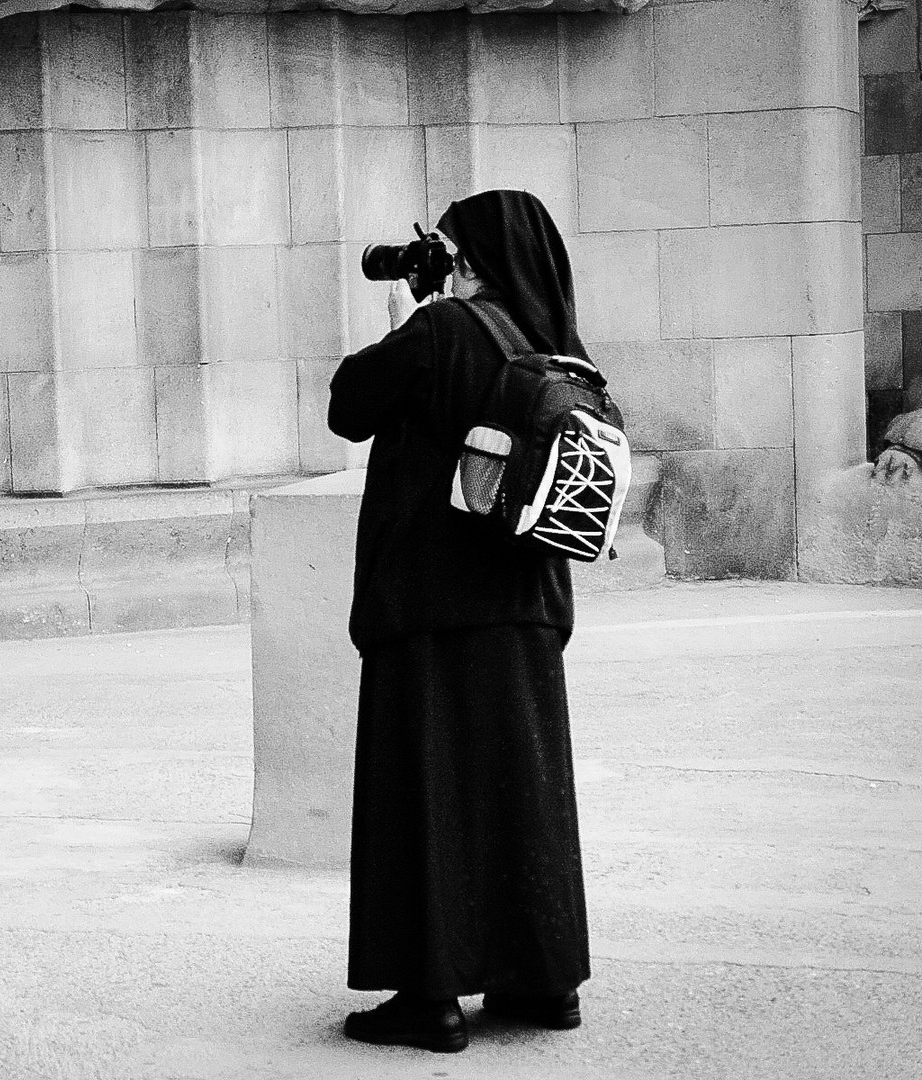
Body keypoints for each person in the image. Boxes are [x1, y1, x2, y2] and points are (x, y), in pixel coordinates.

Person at [327, 189, 590, 1054]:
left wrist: (418, 312)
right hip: (526, 610)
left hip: (433, 610)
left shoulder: (445, 331)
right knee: (524, 792)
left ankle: (429, 998)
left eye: (443, 247)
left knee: (427, 793)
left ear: (469, 259)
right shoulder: (551, 345)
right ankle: (542, 981)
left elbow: (348, 405)